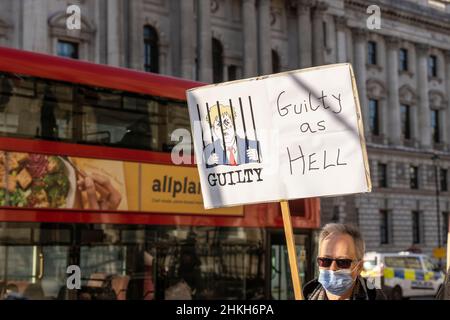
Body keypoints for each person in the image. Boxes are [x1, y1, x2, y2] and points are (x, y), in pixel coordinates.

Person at [303, 223, 386, 300]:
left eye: (343, 262)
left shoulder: (376, 297)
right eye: (325, 261)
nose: (332, 268)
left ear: (359, 267)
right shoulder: (303, 296)